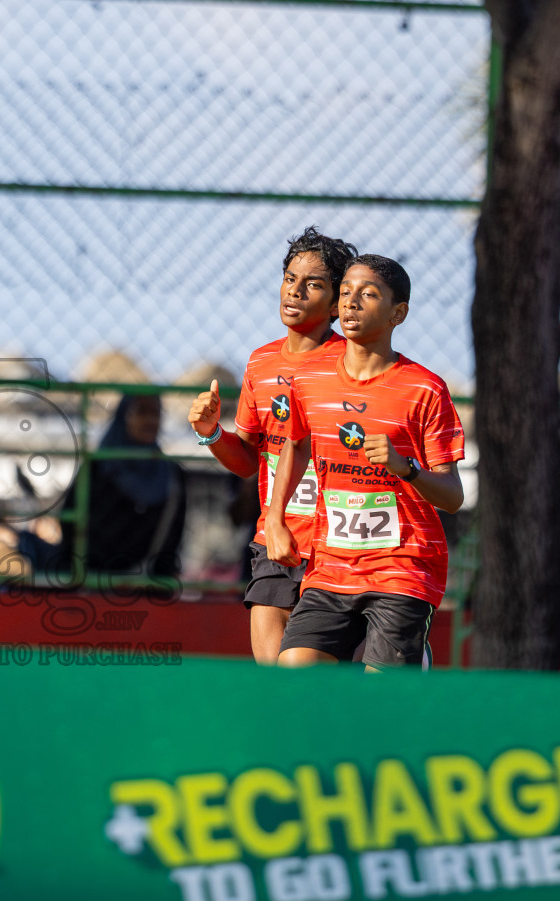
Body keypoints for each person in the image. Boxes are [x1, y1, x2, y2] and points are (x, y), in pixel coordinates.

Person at [264, 255, 465, 669]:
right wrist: (274, 518)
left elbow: (453, 496)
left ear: (398, 313)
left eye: (369, 294)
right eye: (346, 293)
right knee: (295, 673)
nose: (352, 302)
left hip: (403, 568)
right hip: (330, 567)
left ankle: (411, 663)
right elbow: (296, 445)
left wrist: (405, 468)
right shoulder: (310, 381)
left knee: (383, 698)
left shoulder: (425, 390)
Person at [187, 227, 359, 663]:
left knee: (322, 682)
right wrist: (211, 432)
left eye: (313, 284)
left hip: (337, 545)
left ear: (339, 302)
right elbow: (247, 460)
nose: (295, 291)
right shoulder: (261, 362)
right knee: (276, 682)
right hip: (274, 542)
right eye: (289, 278)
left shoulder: (352, 364)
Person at [17, 392, 186, 580]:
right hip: (90, 578)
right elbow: (71, 523)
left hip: (144, 583)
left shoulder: (172, 475)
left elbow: (174, 534)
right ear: (123, 416)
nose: (150, 420)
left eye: (156, 413)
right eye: (141, 411)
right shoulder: (97, 467)